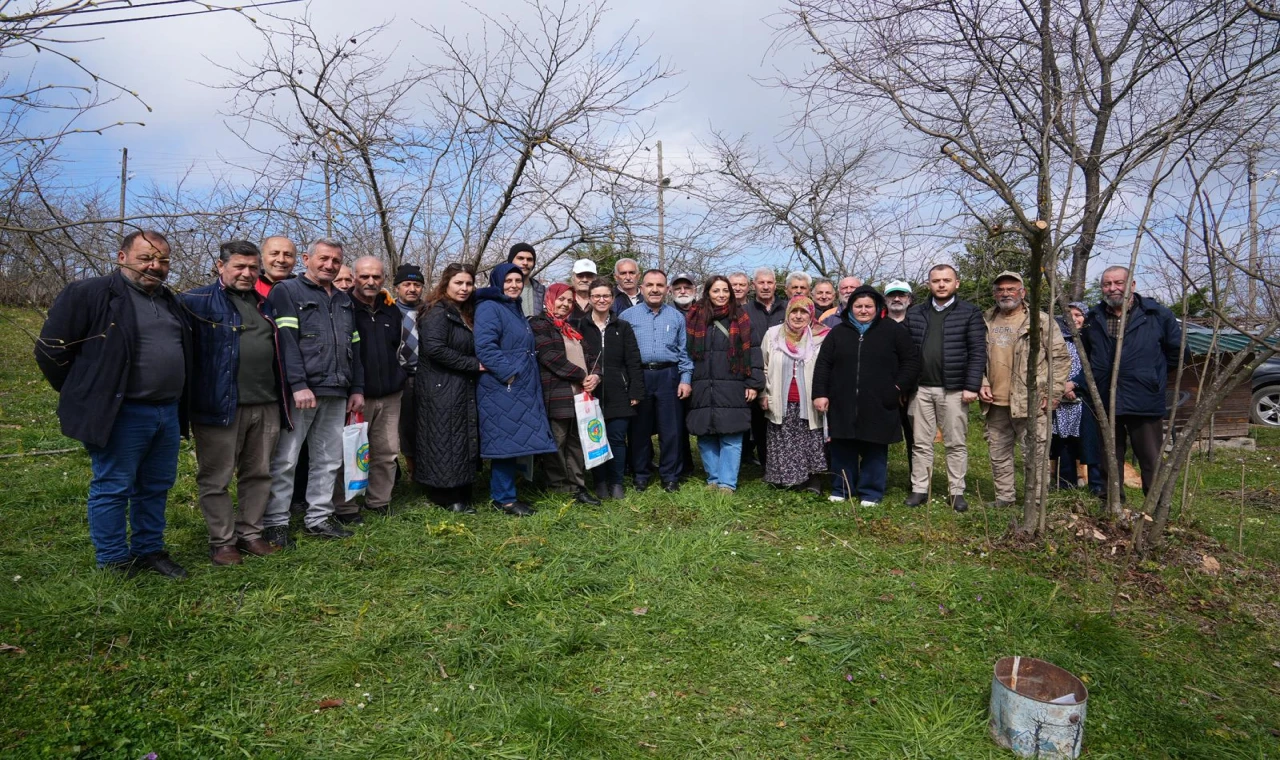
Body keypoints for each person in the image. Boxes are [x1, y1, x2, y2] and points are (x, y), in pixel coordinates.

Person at [35, 230, 192, 578]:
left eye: (163, 260)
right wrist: (86, 392)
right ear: (122, 258)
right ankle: (113, 560)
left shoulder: (169, 300)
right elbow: (51, 351)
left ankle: (149, 550)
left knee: (156, 486)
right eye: (146, 258)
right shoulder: (90, 294)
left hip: (166, 411)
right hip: (123, 412)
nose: (155, 266)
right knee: (113, 486)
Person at [181, 240, 288, 566]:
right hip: (220, 404)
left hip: (266, 402)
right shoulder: (195, 302)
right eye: (239, 266)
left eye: (252, 268)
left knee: (258, 474)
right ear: (220, 266)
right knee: (216, 477)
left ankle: (250, 533)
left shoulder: (264, 303)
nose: (246, 273)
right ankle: (222, 542)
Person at [263, 238, 365, 544]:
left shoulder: (345, 299)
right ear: (307, 259)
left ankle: (318, 518)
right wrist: (298, 384)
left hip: (338, 389)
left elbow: (354, 347)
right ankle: (276, 522)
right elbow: (286, 342)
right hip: (304, 392)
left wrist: (357, 388)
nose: (329, 265)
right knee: (287, 459)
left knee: (329, 459)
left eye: (335, 260)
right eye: (323, 258)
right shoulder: (288, 291)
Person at [1082, 266, 1184, 496]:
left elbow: (1177, 352)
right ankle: (1112, 507)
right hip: (1106, 399)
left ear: (1132, 285)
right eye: (1107, 284)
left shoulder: (1156, 315)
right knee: (1109, 458)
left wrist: (1151, 375)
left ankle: (1154, 508)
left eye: (1119, 283)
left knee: (1150, 458)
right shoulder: (1094, 318)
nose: (1113, 288)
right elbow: (1087, 356)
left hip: (1143, 398)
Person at [813, 286, 921, 505]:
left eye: (868, 306)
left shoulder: (892, 330)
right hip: (842, 400)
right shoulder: (838, 333)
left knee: (875, 447)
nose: (863, 310)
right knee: (843, 446)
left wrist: (898, 388)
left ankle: (871, 492)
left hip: (879, 400)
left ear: (877, 307)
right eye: (858, 306)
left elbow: (911, 361)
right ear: (850, 308)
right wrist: (820, 393)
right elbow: (823, 364)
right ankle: (842, 488)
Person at [978, 272, 1070, 508]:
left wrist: (1053, 393)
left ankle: (1037, 502)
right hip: (995, 401)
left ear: (1023, 292)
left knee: (1035, 454)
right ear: (994, 293)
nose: (1005, 293)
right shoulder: (985, 320)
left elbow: (1059, 358)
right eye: (1000, 289)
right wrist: (981, 382)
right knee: (998, 453)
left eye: (1011, 288)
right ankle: (1005, 498)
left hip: (1031, 400)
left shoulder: (1041, 321)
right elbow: (974, 357)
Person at [474, 263, 559, 514]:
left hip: (520, 385)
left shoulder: (513, 306)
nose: (513, 285)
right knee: (504, 444)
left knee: (512, 442)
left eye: (518, 281)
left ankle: (509, 493)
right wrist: (509, 374)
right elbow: (485, 347)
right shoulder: (490, 307)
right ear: (497, 282)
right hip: (502, 386)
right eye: (508, 281)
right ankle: (504, 499)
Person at [903, 264, 987, 512]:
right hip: (921, 389)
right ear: (928, 284)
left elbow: (977, 351)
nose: (941, 285)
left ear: (956, 283)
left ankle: (956, 491)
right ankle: (920, 489)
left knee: (955, 443)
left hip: (954, 389)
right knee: (920, 443)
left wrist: (972, 385)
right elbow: (907, 353)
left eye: (946, 280)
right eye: (936, 280)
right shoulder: (916, 313)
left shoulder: (970, 313)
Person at [335, 256, 407, 524]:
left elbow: (395, 348)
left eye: (376, 277)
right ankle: (345, 507)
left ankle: (379, 501)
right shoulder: (343, 307)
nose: (370, 281)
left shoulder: (391, 310)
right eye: (364, 276)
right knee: (349, 453)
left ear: (383, 279)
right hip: (355, 395)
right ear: (354, 277)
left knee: (387, 452)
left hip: (389, 393)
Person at [414, 263, 482, 513]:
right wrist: (475, 365)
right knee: (443, 438)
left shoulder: (465, 311)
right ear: (446, 284)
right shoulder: (436, 311)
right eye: (459, 283)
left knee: (460, 437)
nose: (464, 288)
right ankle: (444, 493)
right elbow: (435, 349)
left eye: (468, 284)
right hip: (439, 385)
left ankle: (461, 488)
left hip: (460, 384)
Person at [685, 276, 762, 493]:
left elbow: (754, 352)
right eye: (716, 291)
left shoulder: (742, 317)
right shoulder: (695, 317)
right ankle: (713, 478)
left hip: (733, 385)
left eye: (725, 291)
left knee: (732, 435)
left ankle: (727, 483)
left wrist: (754, 384)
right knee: (705, 434)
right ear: (707, 292)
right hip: (702, 385)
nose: (721, 295)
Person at [620, 269, 693, 492]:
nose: (654, 289)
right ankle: (641, 474)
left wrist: (686, 379)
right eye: (650, 285)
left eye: (659, 285)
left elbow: (684, 352)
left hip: (668, 376)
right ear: (641, 289)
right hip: (639, 376)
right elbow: (621, 354)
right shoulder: (627, 317)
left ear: (667, 290)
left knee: (670, 429)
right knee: (639, 428)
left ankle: (670, 475)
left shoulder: (676, 317)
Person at [531, 283, 602, 504]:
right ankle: (560, 488)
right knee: (557, 443)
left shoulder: (571, 328)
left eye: (569, 301)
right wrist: (581, 375)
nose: (565, 304)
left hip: (581, 396)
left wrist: (595, 375)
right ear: (550, 299)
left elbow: (592, 356)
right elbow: (550, 356)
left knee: (577, 442)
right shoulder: (539, 324)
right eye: (561, 299)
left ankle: (578, 486)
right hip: (556, 394)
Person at [577, 279, 646, 500]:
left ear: (612, 299)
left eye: (606, 295)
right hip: (591, 391)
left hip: (619, 391)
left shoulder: (622, 326)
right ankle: (600, 481)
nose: (601, 300)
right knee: (595, 437)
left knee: (617, 438)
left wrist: (635, 390)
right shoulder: (579, 325)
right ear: (589, 299)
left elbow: (633, 360)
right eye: (596, 296)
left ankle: (616, 482)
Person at [761, 296, 829, 493]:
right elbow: (763, 366)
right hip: (781, 399)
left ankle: (811, 479)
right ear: (787, 312)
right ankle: (787, 478)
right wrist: (763, 394)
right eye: (794, 311)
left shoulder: (820, 336)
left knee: (809, 440)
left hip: (809, 400)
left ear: (811, 315)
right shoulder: (773, 335)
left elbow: (826, 368)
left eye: (804, 312)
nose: (798, 316)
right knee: (784, 440)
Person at [1050, 302, 1100, 491]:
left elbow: (1096, 367)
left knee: (1090, 444)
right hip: (1061, 398)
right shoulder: (1058, 339)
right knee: (1064, 442)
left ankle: (1096, 486)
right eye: (1070, 315)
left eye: (1078, 314)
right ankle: (1065, 484)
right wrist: (1062, 387)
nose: (1074, 319)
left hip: (1085, 399)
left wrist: (1075, 384)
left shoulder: (1092, 339)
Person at [746, 266, 784, 467]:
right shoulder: (744, 312)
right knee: (759, 422)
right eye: (761, 282)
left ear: (775, 285)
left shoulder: (787, 309)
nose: (766, 286)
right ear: (754, 286)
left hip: (783, 375)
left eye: (769, 282)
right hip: (755, 374)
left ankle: (784, 464)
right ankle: (766, 465)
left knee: (782, 422)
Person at [393, 264, 424, 477]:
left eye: (417, 284)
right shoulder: (390, 311)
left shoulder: (430, 310)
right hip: (402, 376)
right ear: (397, 288)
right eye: (407, 284)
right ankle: (412, 470)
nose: (412, 289)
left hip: (428, 374)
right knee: (407, 425)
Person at [883, 280, 915, 469]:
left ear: (909, 299)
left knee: (915, 437)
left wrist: (904, 387)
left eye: (901, 295)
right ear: (885, 300)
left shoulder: (918, 322)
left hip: (912, 390)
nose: (896, 299)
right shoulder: (878, 324)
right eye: (892, 295)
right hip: (885, 390)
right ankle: (877, 477)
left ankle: (916, 480)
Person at [508, 242, 547, 318]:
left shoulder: (541, 291)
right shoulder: (500, 289)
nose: (525, 263)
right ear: (511, 260)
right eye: (520, 258)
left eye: (529, 259)